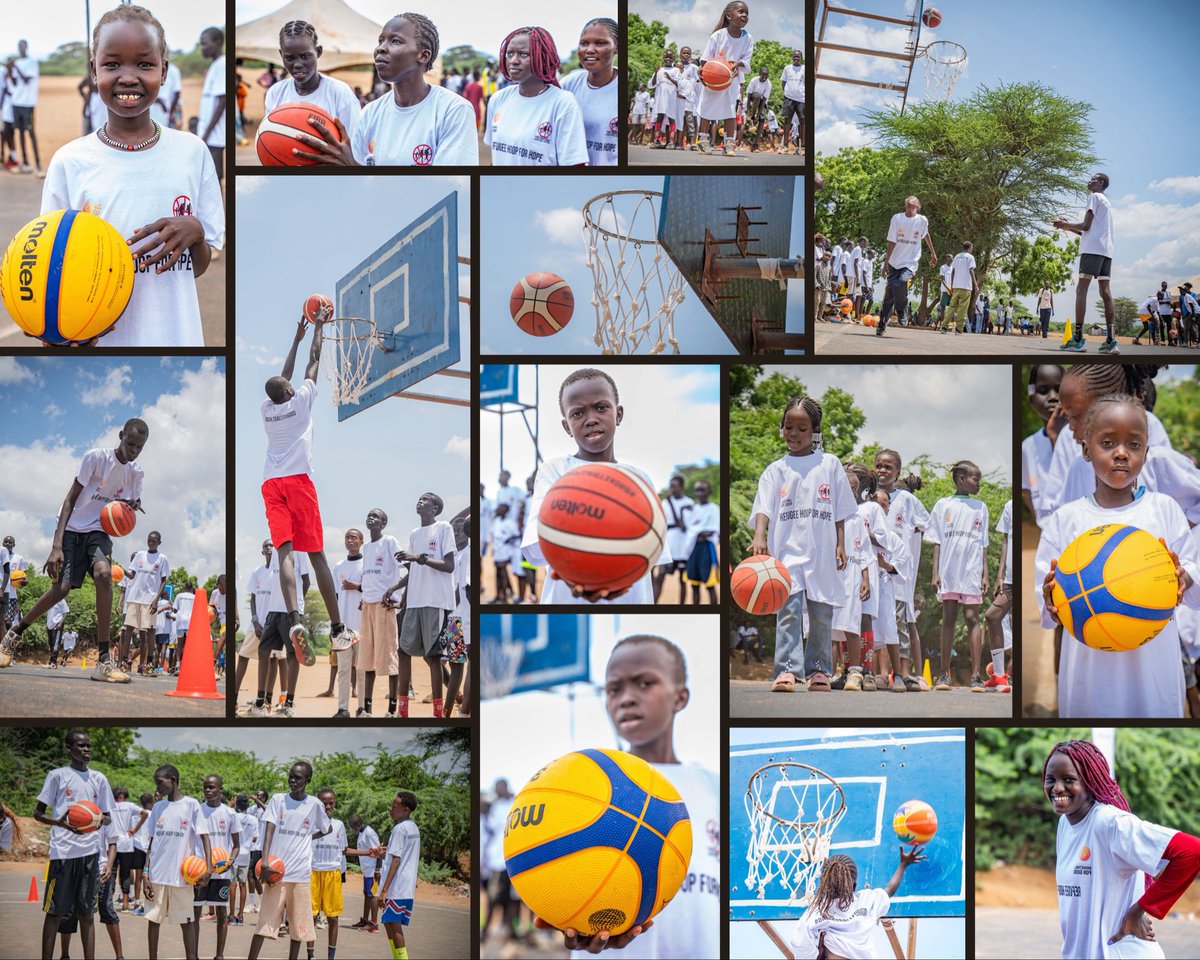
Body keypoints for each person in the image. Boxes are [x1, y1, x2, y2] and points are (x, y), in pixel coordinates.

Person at [39, 7, 224, 347]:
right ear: (94, 70)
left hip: (178, 342)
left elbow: (195, 268)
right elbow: (50, 269)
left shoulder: (192, 152)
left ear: (163, 71)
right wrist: (51, 328)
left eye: (144, 64)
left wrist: (196, 231)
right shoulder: (70, 161)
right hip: (102, 347)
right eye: (112, 64)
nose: (128, 77)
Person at [534, 635, 720, 958]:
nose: (626, 699)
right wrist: (568, 909)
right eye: (614, 689)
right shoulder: (581, 786)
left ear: (680, 697)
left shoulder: (715, 788)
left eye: (645, 683)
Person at [1037, 395, 1200, 717]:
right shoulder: (1066, 519)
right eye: (1108, 442)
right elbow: (1045, 601)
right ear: (1085, 449)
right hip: (1088, 671)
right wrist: (1049, 600)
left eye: (1134, 445)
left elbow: (1192, 575)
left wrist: (1185, 576)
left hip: (1154, 669)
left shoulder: (1164, 509)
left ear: (1146, 453)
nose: (1121, 453)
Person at [1, 420, 147, 680]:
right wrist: (56, 545)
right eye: (131, 444)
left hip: (98, 532)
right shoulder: (95, 458)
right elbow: (69, 500)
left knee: (104, 575)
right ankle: (14, 634)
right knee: (62, 589)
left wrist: (131, 507)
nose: (134, 450)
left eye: (140, 447)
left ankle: (104, 661)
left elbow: (127, 507)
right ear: (121, 436)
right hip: (71, 529)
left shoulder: (136, 474)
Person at [521, 369, 669, 603]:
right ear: (567, 426)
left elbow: (651, 554)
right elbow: (541, 542)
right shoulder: (555, 470)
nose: (591, 419)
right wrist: (584, 572)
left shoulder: (640, 480)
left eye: (601, 407)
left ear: (618, 414)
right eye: (578, 413)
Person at [1044, 739, 1200, 959]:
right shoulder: (1065, 823)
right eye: (1051, 779)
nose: (1057, 788)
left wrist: (1139, 910)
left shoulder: (1110, 823)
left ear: (1090, 783)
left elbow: (1192, 851)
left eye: (1069, 779)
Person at [259, 319, 346, 679]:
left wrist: (292, 338)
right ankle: (339, 628)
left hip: (270, 484)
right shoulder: (302, 401)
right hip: (297, 482)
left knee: (284, 553)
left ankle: (294, 618)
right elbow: (313, 360)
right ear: (291, 393)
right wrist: (317, 328)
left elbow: (283, 379)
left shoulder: (268, 410)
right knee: (317, 554)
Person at [750, 396, 856, 693]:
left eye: (801, 428)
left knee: (822, 614)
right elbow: (763, 507)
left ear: (815, 431)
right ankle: (787, 671)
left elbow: (840, 509)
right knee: (788, 611)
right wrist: (760, 536)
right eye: (788, 427)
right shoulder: (776, 469)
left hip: (822, 550)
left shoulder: (830, 464)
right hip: (787, 551)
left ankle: (820, 671)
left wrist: (840, 544)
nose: (793, 434)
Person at [298, 15, 477, 166]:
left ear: (423, 55)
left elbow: (448, 187)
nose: (380, 48)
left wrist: (353, 169)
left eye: (395, 41)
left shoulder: (453, 110)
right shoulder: (370, 113)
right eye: (380, 41)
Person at [33, 730, 115, 960]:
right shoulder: (57, 775)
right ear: (69, 748)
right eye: (81, 746)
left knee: (87, 914)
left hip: (89, 854)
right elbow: (38, 813)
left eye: (89, 746)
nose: (87, 750)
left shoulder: (99, 778)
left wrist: (96, 821)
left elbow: (108, 816)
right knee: (55, 913)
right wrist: (60, 823)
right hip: (63, 854)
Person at [247, 762, 332, 960]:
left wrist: (307, 836)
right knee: (263, 923)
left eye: (298, 778)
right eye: (291, 776)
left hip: (300, 874)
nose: (292, 780)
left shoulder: (314, 805)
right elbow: (268, 831)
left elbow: (326, 828)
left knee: (298, 927)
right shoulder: (278, 800)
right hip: (276, 873)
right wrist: (265, 861)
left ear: (308, 781)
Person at [789, 849, 926, 959]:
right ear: (854, 886)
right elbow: (889, 890)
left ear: (824, 884)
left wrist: (818, 955)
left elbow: (800, 945)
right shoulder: (865, 900)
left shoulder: (814, 912)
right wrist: (903, 865)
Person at [925, 461, 989, 691]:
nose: (979, 484)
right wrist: (935, 573)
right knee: (949, 618)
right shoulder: (943, 505)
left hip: (971, 570)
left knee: (973, 618)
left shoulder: (981, 507)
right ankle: (943, 675)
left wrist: (985, 574)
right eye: (975, 479)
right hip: (949, 571)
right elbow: (937, 542)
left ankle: (976, 676)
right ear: (961, 479)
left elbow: (983, 545)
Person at [486, 26, 587, 166]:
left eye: (523, 54)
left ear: (543, 58)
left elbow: (574, 163)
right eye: (509, 54)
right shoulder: (498, 99)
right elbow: (496, 157)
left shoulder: (563, 103)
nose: (513, 61)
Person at [873, 451, 930, 691]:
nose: (882, 470)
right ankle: (875, 674)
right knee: (873, 623)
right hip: (871, 572)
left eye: (888, 467)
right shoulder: (868, 497)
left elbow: (927, 526)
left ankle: (903, 674)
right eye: (879, 466)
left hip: (896, 575)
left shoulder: (907, 500)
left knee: (898, 623)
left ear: (897, 471)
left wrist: (905, 546)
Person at [142, 764, 211, 960]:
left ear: (172, 780)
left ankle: (191, 957)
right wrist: (145, 874)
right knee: (153, 920)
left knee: (187, 921)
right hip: (157, 875)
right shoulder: (158, 807)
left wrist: (209, 868)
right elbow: (151, 842)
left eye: (160, 783)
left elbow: (205, 836)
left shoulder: (191, 805)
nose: (157, 788)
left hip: (182, 876)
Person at [397, 494, 456, 717]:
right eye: (419, 499)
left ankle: (438, 711)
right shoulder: (414, 533)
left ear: (435, 509)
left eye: (425, 500)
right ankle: (402, 710)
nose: (420, 501)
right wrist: (401, 596)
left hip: (436, 600)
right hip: (415, 601)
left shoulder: (443, 528)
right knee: (403, 651)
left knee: (433, 657)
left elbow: (449, 565)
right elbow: (413, 571)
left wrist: (419, 558)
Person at [308, 789, 380, 960]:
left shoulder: (339, 825)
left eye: (331, 802)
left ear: (335, 802)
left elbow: (345, 850)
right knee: (311, 916)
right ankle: (310, 955)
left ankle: (331, 957)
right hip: (313, 873)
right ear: (318, 803)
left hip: (332, 874)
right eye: (324, 802)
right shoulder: (310, 823)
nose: (327, 806)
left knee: (333, 918)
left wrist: (367, 852)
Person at [1053, 172, 1117, 353]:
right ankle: (1111, 341)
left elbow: (1086, 226)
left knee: (1081, 290)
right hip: (1106, 251)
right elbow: (1086, 233)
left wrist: (1063, 225)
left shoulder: (1094, 197)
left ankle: (1079, 339)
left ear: (1102, 183)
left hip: (1092, 252)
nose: (1090, 181)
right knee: (1105, 292)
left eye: (1094, 179)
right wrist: (1069, 227)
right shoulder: (1106, 203)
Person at [265, 21, 360, 132]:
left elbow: (355, 143)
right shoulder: (276, 93)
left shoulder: (339, 93)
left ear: (318, 52)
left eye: (304, 56)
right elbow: (269, 136)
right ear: (282, 55)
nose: (298, 64)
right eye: (289, 58)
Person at [357, 508, 403, 719]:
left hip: (384, 606)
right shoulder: (366, 548)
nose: (371, 518)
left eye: (376, 517)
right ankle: (367, 708)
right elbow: (368, 576)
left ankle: (392, 708)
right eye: (369, 515)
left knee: (389, 657)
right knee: (367, 659)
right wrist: (363, 596)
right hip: (367, 605)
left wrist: (398, 597)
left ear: (383, 524)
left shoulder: (390, 542)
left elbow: (408, 569)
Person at [696, 1, 753, 156]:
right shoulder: (718, 35)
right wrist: (702, 71)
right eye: (741, 12)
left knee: (730, 111)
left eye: (747, 13)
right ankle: (702, 140)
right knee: (708, 107)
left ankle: (729, 143)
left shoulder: (747, 38)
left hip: (731, 79)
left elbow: (747, 60)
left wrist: (740, 63)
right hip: (713, 77)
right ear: (729, 15)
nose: (745, 15)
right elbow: (705, 59)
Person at [193, 775, 240, 960]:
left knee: (222, 913)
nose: (208, 790)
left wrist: (230, 861)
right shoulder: (197, 811)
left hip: (221, 873)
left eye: (212, 787)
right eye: (205, 787)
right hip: (199, 870)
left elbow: (236, 845)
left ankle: (219, 955)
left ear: (220, 788)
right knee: (195, 914)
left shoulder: (230, 813)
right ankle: (193, 954)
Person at [876, 196, 937, 336]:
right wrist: (886, 264)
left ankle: (901, 311)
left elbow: (926, 235)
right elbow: (891, 242)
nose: (910, 208)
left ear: (918, 207)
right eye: (908, 205)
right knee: (889, 296)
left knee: (902, 282)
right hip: (894, 262)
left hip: (910, 261)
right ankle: (881, 324)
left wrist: (933, 253)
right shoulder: (897, 218)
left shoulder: (922, 220)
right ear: (905, 206)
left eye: (913, 206)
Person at [561, 18, 618, 165]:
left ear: (616, 47)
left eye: (600, 43)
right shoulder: (568, 84)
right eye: (584, 43)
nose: (590, 49)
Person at [377, 792, 421, 960]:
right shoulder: (413, 827)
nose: (391, 810)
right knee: (388, 923)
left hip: (396, 887)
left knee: (394, 927)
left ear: (405, 810)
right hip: (405, 887)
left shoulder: (399, 828)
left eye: (394, 807)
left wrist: (384, 890)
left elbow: (396, 860)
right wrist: (383, 853)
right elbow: (397, 854)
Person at [1021, 364, 1065, 529]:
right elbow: (1025, 491)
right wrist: (1041, 522)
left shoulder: (1080, 440)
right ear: (1032, 398)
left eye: (1059, 390)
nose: (1053, 397)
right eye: (1043, 390)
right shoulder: (1027, 447)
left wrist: (1056, 436)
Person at [325, 528, 363, 718]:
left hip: (362, 625)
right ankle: (343, 708)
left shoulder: (367, 564)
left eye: (354, 537)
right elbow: (334, 595)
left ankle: (363, 708)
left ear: (361, 541)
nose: (350, 540)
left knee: (363, 668)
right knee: (343, 669)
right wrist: (334, 623)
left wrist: (357, 587)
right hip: (342, 627)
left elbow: (373, 589)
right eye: (347, 537)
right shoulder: (339, 566)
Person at [125, 530, 170, 676]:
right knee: (129, 629)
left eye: (154, 541)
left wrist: (156, 599)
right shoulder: (139, 555)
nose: (151, 543)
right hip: (134, 597)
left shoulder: (162, 558)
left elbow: (163, 580)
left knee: (150, 631)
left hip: (150, 600)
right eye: (149, 540)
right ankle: (124, 662)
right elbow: (131, 574)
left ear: (159, 542)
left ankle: (149, 664)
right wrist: (120, 569)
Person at [981, 499, 1013, 693]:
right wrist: (1000, 575)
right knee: (992, 616)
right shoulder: (1009, 505)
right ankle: (999, 677)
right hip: (1009, 579)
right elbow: (1005, 541)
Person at [655, 476, 693, 602]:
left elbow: (683, 526)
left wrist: (671, 503)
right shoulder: (664, 503)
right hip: (668, 547)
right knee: (660, 577)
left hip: (682, 549)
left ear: (681, 487)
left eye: (674, 486)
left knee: (682, 580)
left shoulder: (688, 503)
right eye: (671, 486)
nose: (672, 489)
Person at [682, 480, 719, 605]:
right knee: (694, 585)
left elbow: (711, 531)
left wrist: (696, 531)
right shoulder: (694, 509)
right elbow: (687, 528)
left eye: (702, 490)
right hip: (694, 548)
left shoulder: (714, 509)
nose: (699, 493)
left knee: (709, 586)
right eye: (697, 490)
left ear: (709, 492)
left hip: (706, 549)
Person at [8, 39, 41, 175]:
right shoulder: (18, 63)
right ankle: (25, 163)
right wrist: (10, 70)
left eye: (22, 46)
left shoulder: (32, 62)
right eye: (19, 46)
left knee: (31, 132)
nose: (20, 48)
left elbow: (27, 80)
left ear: (26, 47)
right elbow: (15, 83)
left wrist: (15, 67)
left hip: (28, 103)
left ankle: (38, 165)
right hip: (16, 102)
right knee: (20, 132)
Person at [348, 813, 382, 933]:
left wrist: (377, 870)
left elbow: (379, 851)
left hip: (373, 870)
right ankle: (365, 920)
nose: (352, 830)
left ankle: (374, 924)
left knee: (372, 894)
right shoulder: (362, 832)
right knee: (366, 893)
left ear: (358, 824)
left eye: (352, 827)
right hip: (367, 870)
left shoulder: (369, 833)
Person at [648, 48, 679, 149]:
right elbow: (651, 85)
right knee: (659, 118)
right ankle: (657, 140)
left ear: (674, 57)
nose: (668, 58)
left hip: (671, 100)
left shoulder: (676, 70)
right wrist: (656, 72)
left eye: (670, 56)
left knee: (671, 119)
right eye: (666, 56)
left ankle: (671, 141)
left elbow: (680, 84)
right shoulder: (660, 70)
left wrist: (670, 78)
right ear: (663, 57)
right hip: (660, 99)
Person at [945, 242, 978, 335]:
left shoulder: (957, 256)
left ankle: (943, 327)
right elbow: (971, 270)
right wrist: (975, 285)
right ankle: (959, 329)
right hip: (966, 287)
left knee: (951, 307)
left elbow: (953, 271)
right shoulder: (970, 257)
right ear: (970, 248)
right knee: (962, 309)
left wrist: (951, 284)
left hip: (956, 286)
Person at [779, 50, 803, 155]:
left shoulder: (804, 68)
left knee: (802, 123)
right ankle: (784, 146)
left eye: (798, 56)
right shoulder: (787, 68)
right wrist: (787, 93)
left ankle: (802, 147)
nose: (796, 58)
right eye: (794, 56)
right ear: (792, 57)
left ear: (801, 57)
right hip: (789, 98)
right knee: (787, 121)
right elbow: (783, 82)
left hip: (802, 99)